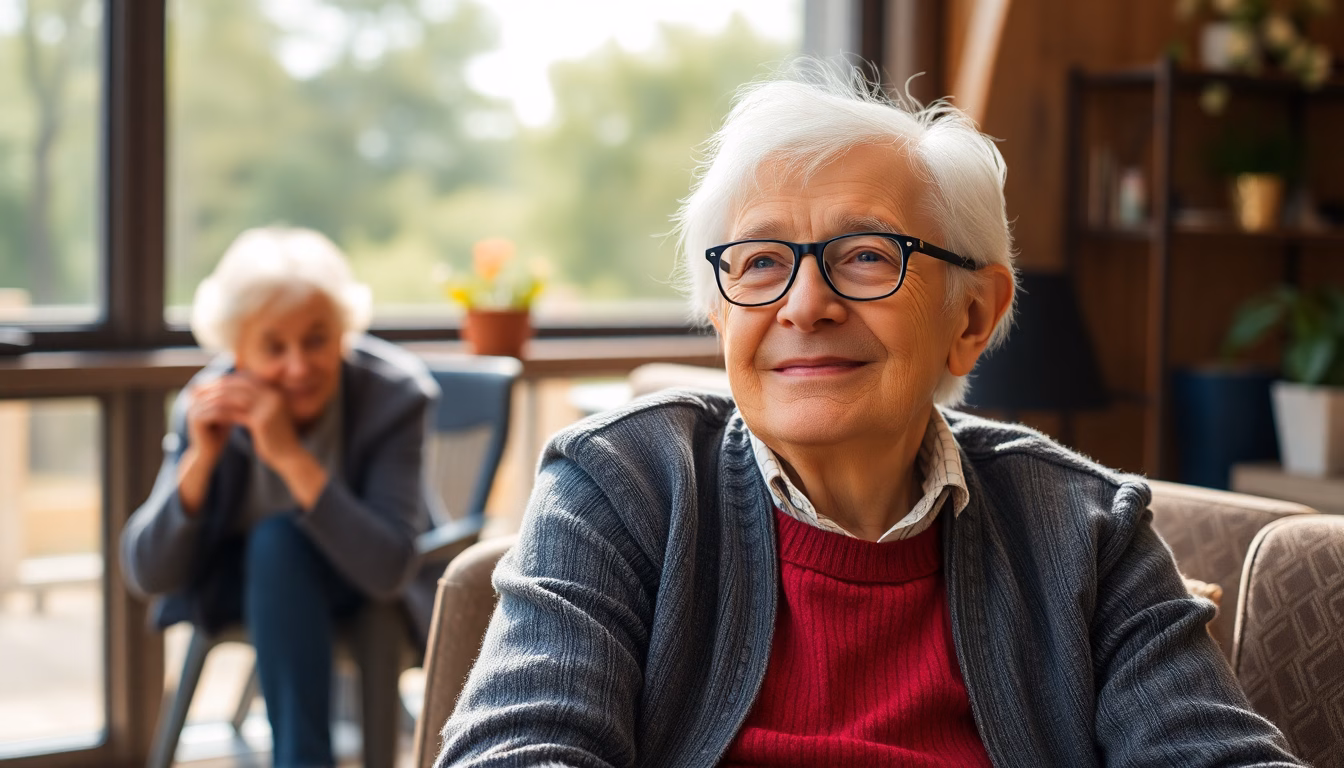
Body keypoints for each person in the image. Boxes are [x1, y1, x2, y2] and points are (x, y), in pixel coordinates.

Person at [436, 71, 1302, 766]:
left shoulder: (1089, 530)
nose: (804, 305)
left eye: (864, 256)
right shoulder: (622, 484)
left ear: (971, 318)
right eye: (763, 261)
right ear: (720, 311)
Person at [121, 228, 442, 768]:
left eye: (317, 340)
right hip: (248, 589)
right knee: (274, 545)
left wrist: (289, 455)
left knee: (277, 539)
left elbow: (388, 566)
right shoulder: (210, 404)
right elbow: (147, 575)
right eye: (274, 346)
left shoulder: (394, 394)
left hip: (371, 591)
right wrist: (200, 461)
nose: (298, 366)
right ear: (237, 350)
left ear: (343, 331)